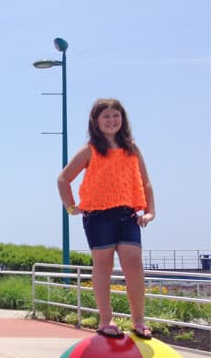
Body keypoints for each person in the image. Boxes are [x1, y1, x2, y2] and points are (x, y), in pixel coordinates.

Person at [57, 98, 155, 340]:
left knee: (134, 264)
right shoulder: (90, 150)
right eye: (106, 117)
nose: (112, 121)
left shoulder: (132, 147)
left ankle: (138, 321)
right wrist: (71, 207)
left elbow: (145, 182)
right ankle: (105, 319)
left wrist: (150, 211)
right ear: (96, 122)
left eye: (116, 116)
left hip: (127, 214)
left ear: (122, 119)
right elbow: (63, 179)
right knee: (104, 266)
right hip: (98, 216)